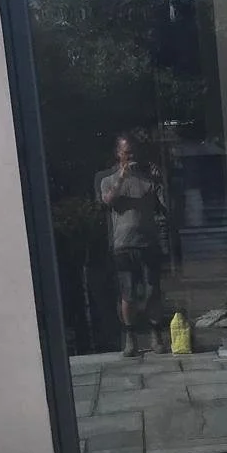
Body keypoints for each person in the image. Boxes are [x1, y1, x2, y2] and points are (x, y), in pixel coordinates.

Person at [97, 134, 169, 356]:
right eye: (126, 153)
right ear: (118, 154)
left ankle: (155, 335)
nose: (130, 157)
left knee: (152, 291)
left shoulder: (148, 178)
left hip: (148, 242)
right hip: (123, 245)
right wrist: (121, 178)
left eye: (133, 153)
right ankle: (130, 338)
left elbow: (167, 207)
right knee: (127, 294)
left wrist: (161, 181)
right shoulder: (107, 179)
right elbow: (107, 201)